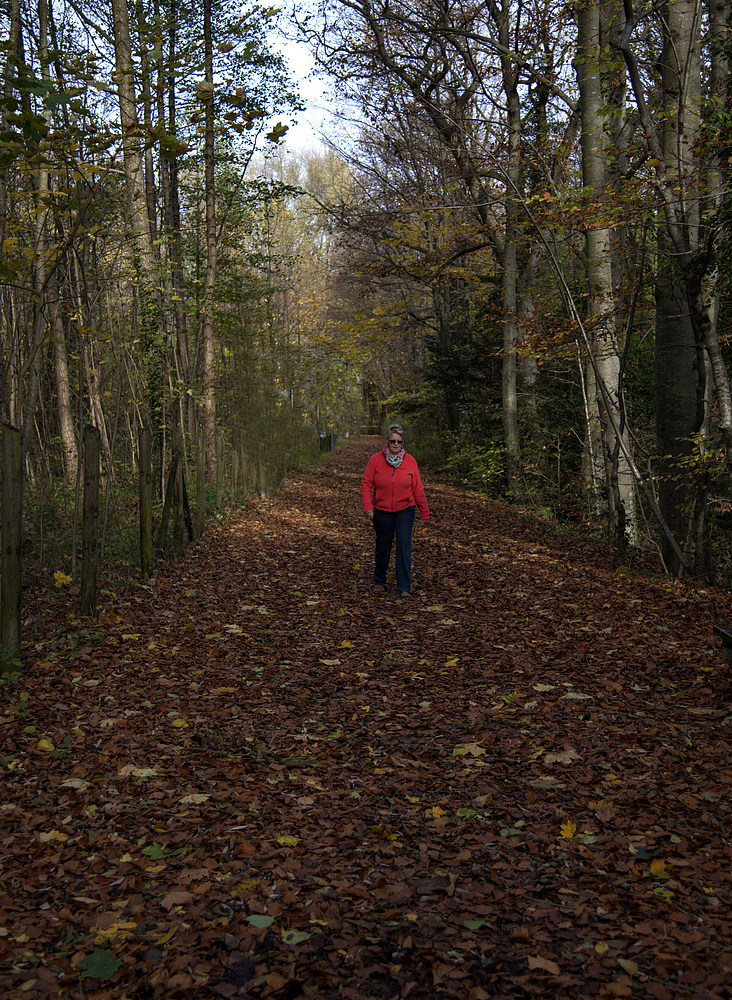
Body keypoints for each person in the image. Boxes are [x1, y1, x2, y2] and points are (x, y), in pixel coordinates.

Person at [360, 424, 430, 597]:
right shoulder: (375, 460)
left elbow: (417, 487)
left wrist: (424, 510)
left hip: (405, 509)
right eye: (393, 440)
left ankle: (404, 587)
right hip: (381, 510)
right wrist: (368, 507)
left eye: (399, 441)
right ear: (387, 441)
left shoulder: (410, 461)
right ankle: (379, 580)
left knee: (404, 547)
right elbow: (366, 484)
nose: (396, 444)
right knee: (382, 547)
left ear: (403, 442)